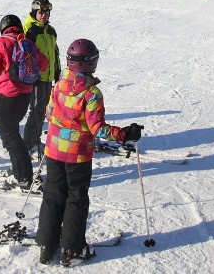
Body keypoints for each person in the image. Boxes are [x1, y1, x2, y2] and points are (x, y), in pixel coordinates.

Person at [35, 39, 143, 266]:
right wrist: (124, 134)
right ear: (89, 63)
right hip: (77, 155)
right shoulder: (91, 93)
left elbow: (49, 114)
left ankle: (47, 245)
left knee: (54, 195)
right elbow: (98, 129)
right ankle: (71, 249)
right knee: (76, 198)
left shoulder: (58, 85)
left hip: (54, 149)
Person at [0, 15, 48, 191]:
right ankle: (21, 171)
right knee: (13, 135)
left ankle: (23, 177)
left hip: (7, 96)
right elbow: (44, 64)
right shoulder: (27, 43)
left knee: (10, 138)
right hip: (24, 95)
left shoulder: (1, 42)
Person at [22, 0, 61, 159]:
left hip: (48, 76)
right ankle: (29, 143)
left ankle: (35, 140)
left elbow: (55, 52)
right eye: (41, 12)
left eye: (46, 12)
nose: (44, 15)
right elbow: (24, 54)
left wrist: (57, 71)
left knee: (43, 110)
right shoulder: (29, 30)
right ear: (34, 12)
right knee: (36, 110)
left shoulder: (50, 30)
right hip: (36, 77)